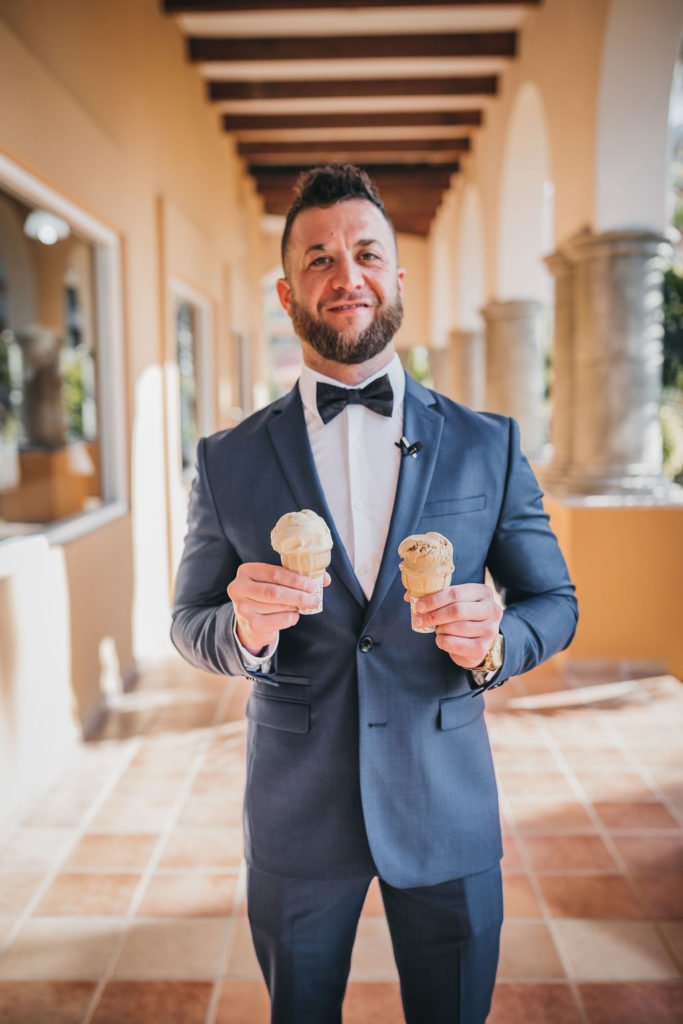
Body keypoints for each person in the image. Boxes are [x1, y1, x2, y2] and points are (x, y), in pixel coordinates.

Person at [171, 164, 578, 1024]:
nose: (344, 274)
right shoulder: (226, 458)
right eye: (318, 259)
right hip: (295, 811)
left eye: (365, 253)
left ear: (398, 278)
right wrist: (240, 632)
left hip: (445, 804)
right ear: (287, 292)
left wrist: (499, 643)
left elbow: (555, 602)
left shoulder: (487, 446)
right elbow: (187, 621)